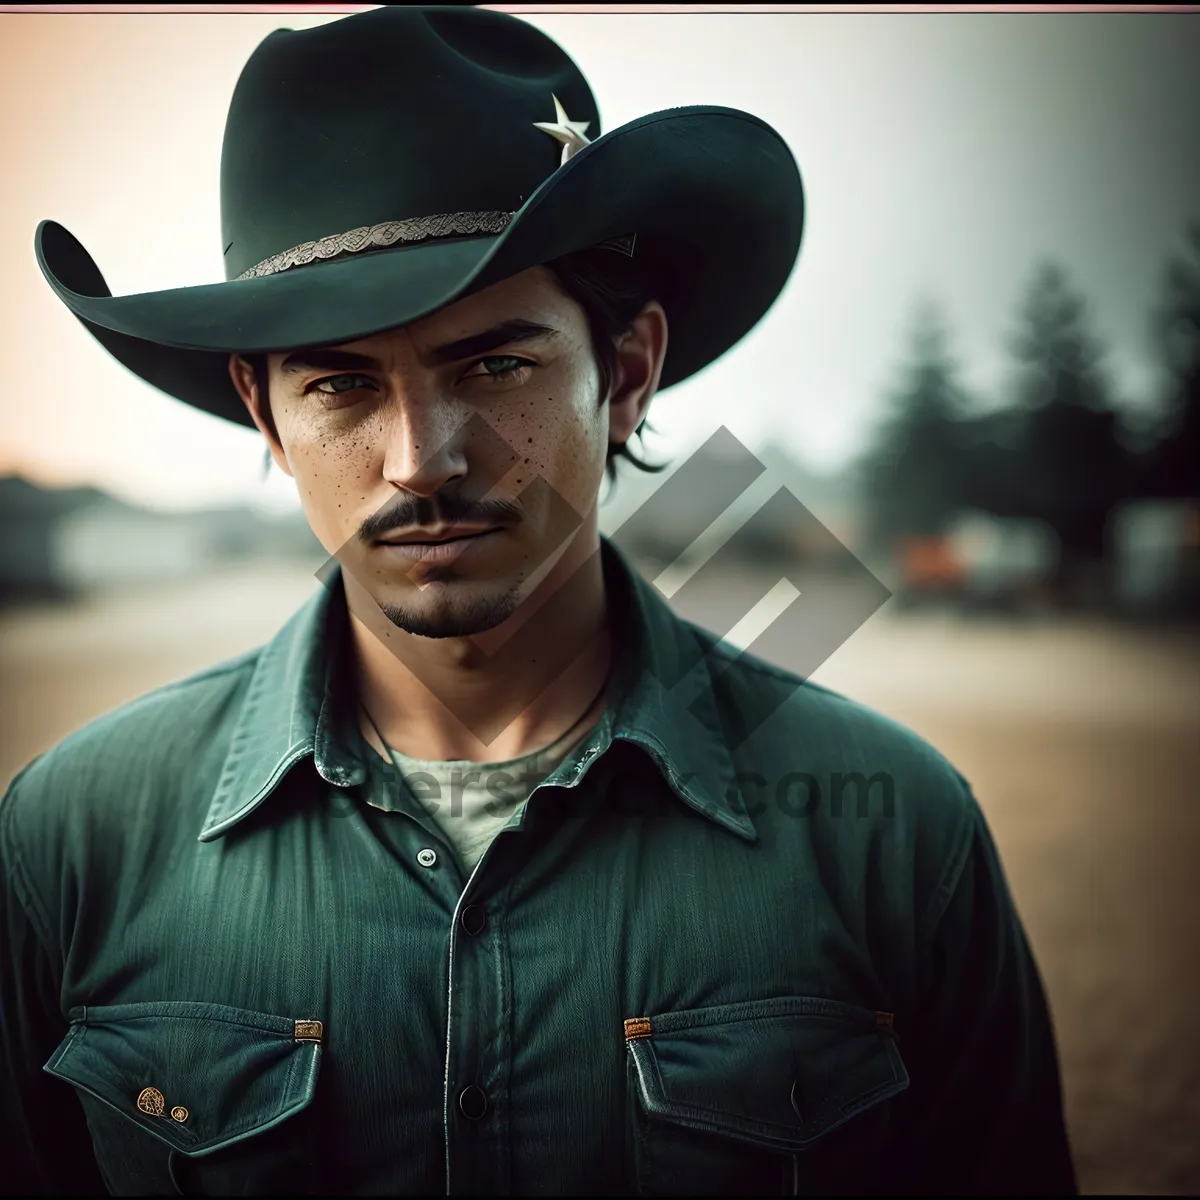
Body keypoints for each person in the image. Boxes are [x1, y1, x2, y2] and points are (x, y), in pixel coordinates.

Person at [1, 6, 1077, 1195]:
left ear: (624, 374)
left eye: (495, 366)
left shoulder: (897, 836)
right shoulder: (71, 841)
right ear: (265, 413)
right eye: (343, 385)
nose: (423, 459)